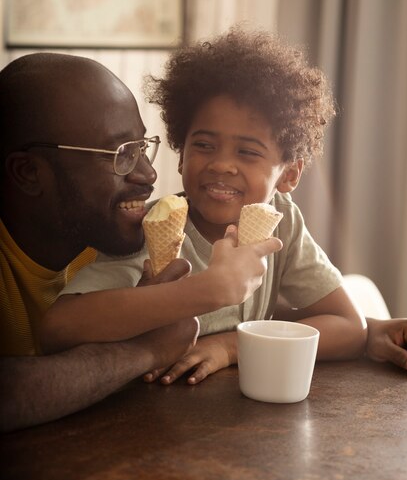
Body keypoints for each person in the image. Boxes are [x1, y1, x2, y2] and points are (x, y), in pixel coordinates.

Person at [40, 28, 407, 382]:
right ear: (181, 155)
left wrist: (233, 346)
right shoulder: (153, 227)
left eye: (248, 151)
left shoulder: (282, 221)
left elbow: (349, 327)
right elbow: (58, 327)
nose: (220, 164)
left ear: (289, 175)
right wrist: (205, 289)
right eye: (203, 145)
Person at [0, 52, 281, 431]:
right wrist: (144, 350)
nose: (149, 175)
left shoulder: (112, 238)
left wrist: (367, 331)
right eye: (120, 155)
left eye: (142, 146)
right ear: (29, 173)